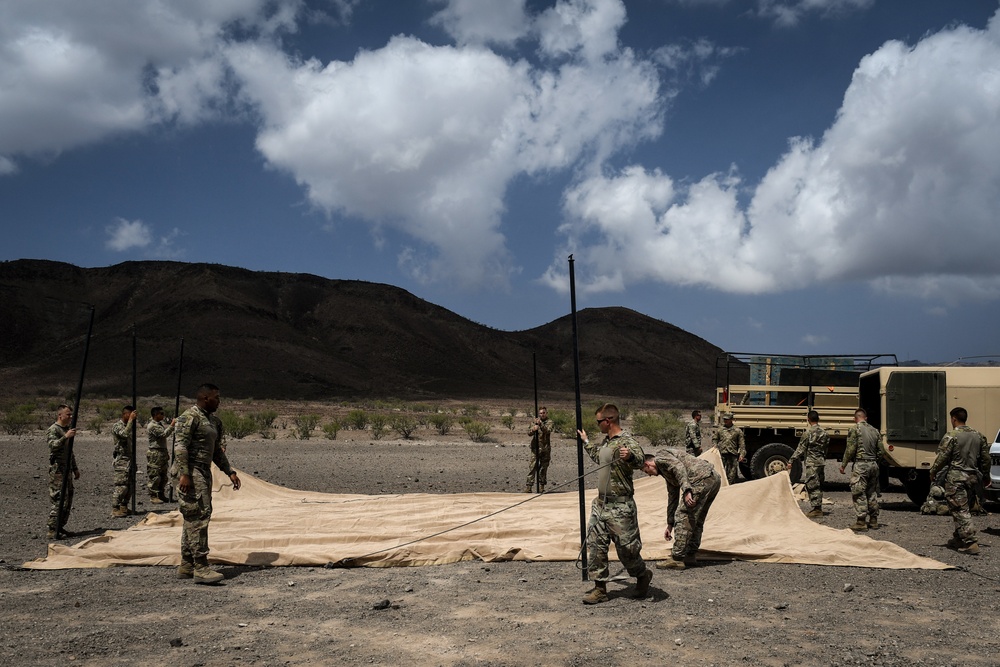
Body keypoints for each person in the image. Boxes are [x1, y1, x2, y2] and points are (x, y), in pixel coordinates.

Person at [576, 404, 652, 604]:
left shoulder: (627, 442)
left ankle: (642, 575)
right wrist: (585, 442)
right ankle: (600, 588)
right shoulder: (607, 443)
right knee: (596, 546)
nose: (597, 425)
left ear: (608, 421)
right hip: (601, 505)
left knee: (627, 550)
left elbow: (640, 461)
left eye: (598, 422)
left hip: (621, 507)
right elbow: (599, 457)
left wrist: (630, 457)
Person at [172, 383, 241, 584]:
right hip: (191, 471)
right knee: (199, 516)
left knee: (193, 515)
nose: (219, 401)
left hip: (203, 470)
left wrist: (230, 472)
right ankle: (201, 567)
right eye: (216, 398)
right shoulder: (189, 417)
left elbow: (217, 451)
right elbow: (180, 447)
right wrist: (185, 474)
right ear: (205, 398)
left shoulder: (213, 422)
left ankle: (186, 564)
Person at [642, 449, 721, 570]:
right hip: (712, 479)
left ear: (647, 464)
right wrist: (670, 523)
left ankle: (677, 558)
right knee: (696, 518)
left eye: (646, 471)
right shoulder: (668, 473)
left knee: (683, 515)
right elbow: (672, 498)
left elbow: (678, 466)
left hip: (700, 479)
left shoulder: (660, 457)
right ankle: (690, 555)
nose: (649, 475)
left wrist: (687, 489)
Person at [928, 407, 990, 555]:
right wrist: (986, 475)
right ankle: (958, 538)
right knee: (961, 508)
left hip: (956, 478)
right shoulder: (978, 436)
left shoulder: (952, 436)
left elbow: (942, 457)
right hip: (972, 477)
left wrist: (933, 471)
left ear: (954, 419)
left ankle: (971, 541)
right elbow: (985, 459)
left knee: (960, 509)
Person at [839, 408, 885, 531]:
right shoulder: (875, 431)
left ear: (855, 418)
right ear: (866, 418)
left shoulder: (855, 429)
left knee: (858, 492)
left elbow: (850, 449)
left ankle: (861, 522)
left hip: (861, 465)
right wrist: (875, 462)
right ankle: (874, 520)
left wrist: (843, 465)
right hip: (873, 465)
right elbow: (881, 451)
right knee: (872, 492)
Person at [46, 404, 80, 539]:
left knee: (68, 498)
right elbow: (53, 446)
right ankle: (52, 528)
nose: (70, 417)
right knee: (60, 499)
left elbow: (69, 452)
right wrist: (66, 437)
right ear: (60, 415)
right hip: (58, 470)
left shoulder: (66, 429)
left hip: (67, 469)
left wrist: (75, 468)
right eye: (68, 414)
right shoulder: (53, 430)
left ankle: (60, 526)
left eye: (71, 414)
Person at [788, 410, 829, 518]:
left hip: (812, 462)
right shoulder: (825, 433)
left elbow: (801, 449)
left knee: (812, 485)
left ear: (808, 419)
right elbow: (826, 448)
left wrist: (791, 460)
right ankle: (818, 507)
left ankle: (816, 509)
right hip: (821, 462)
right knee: (819, 484)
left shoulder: (808, 433)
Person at [146, 406, 176, 504]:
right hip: (155, 453)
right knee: (155, 475)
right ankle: (153, 496)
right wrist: (172, 425)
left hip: (162, 452)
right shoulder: (152, 426)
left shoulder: (159, 424)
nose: (163, 415)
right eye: (161, 414)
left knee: (164, 476)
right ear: (155, 415)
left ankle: (161, 495)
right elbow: (163, 434)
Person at [111, 405, 136, 518]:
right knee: (122, 484)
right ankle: (115, 507)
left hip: (129, 458)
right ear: (125, 414)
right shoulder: (117, 426)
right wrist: (131, 420)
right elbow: (124, 435)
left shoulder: (129, 426)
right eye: (130, 414)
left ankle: (124, 506)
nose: (132, 416)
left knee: (130, 484)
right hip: (122, 459)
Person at [524, 406, 555, 493]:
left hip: (545, 448)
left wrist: (541, 424)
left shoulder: (549, 422)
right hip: (535, 448)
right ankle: (529, 486)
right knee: (532, 467)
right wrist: (533, 429)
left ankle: (542, 486)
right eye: (541, 413)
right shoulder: (534, 422)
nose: (542, 414)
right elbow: (529, 433)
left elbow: (548, 430)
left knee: (543, 468)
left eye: (544, 413)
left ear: (546, 413)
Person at [712, 412, 746, 484]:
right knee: (720, 472)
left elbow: (742, 444)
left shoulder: (737, 431)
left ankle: (729, 487)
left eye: (727, 419)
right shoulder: (720, 429)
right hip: (722, 454)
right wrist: (715, 446)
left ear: (731, 419)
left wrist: (742, 455)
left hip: (732, 454)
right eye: (724, 419)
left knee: (731, 475)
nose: (725, 421)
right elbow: (715, 438)